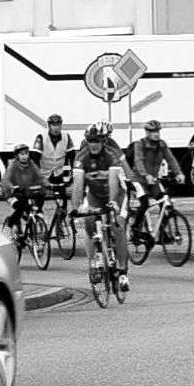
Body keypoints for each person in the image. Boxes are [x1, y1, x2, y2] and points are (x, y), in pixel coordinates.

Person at [70, 124, 130, 291]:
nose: (94, 144)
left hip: (117, 194)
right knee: (88, 221)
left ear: (102, 142)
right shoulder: (81, 157)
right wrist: (77, 207)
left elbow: (113, 182)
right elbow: (78, 185)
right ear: (86, 141)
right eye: (90, 141)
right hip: (95, 194)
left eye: (97, 141)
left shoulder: (111, 155)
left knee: (118, 226)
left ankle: (123, 271)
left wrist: (112, 202)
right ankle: (94, 261)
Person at [129, 120, 186, 242]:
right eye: (153, 131)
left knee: (165, 203)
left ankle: (161, 232)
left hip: (153, 180)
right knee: (144, 203)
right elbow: (138, 161)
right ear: (147, 132)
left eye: (157, 131)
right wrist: (145, 175)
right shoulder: (140, 144)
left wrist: (179, 173)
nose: (156, 134)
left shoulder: (162, 145)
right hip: (139, 179)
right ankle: (135, 230)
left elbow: (171, 160)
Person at [0, 143, 48, 234]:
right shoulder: (13, 166)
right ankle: (9, 225)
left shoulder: (31, 164)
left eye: (26, 154)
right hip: (12, 194)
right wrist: (12, 187)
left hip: (26, 192)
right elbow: (5, 180)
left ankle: (34, 220)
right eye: (22, 154)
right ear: (17, 156)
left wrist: (47, 184)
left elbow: (40, 176)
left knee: (41, 195)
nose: (24, 156)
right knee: (21, 207)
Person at [31, 114, 76, 179]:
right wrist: (38, 177)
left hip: (60, 173)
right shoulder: (41, 137)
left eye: (58, 125)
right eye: (53, 125)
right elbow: (35, 158)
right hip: (44, 174)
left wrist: (72, 174)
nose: (56, 128)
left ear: (61, 125)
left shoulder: (66, 136)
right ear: (49, 126)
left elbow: (72, 156)